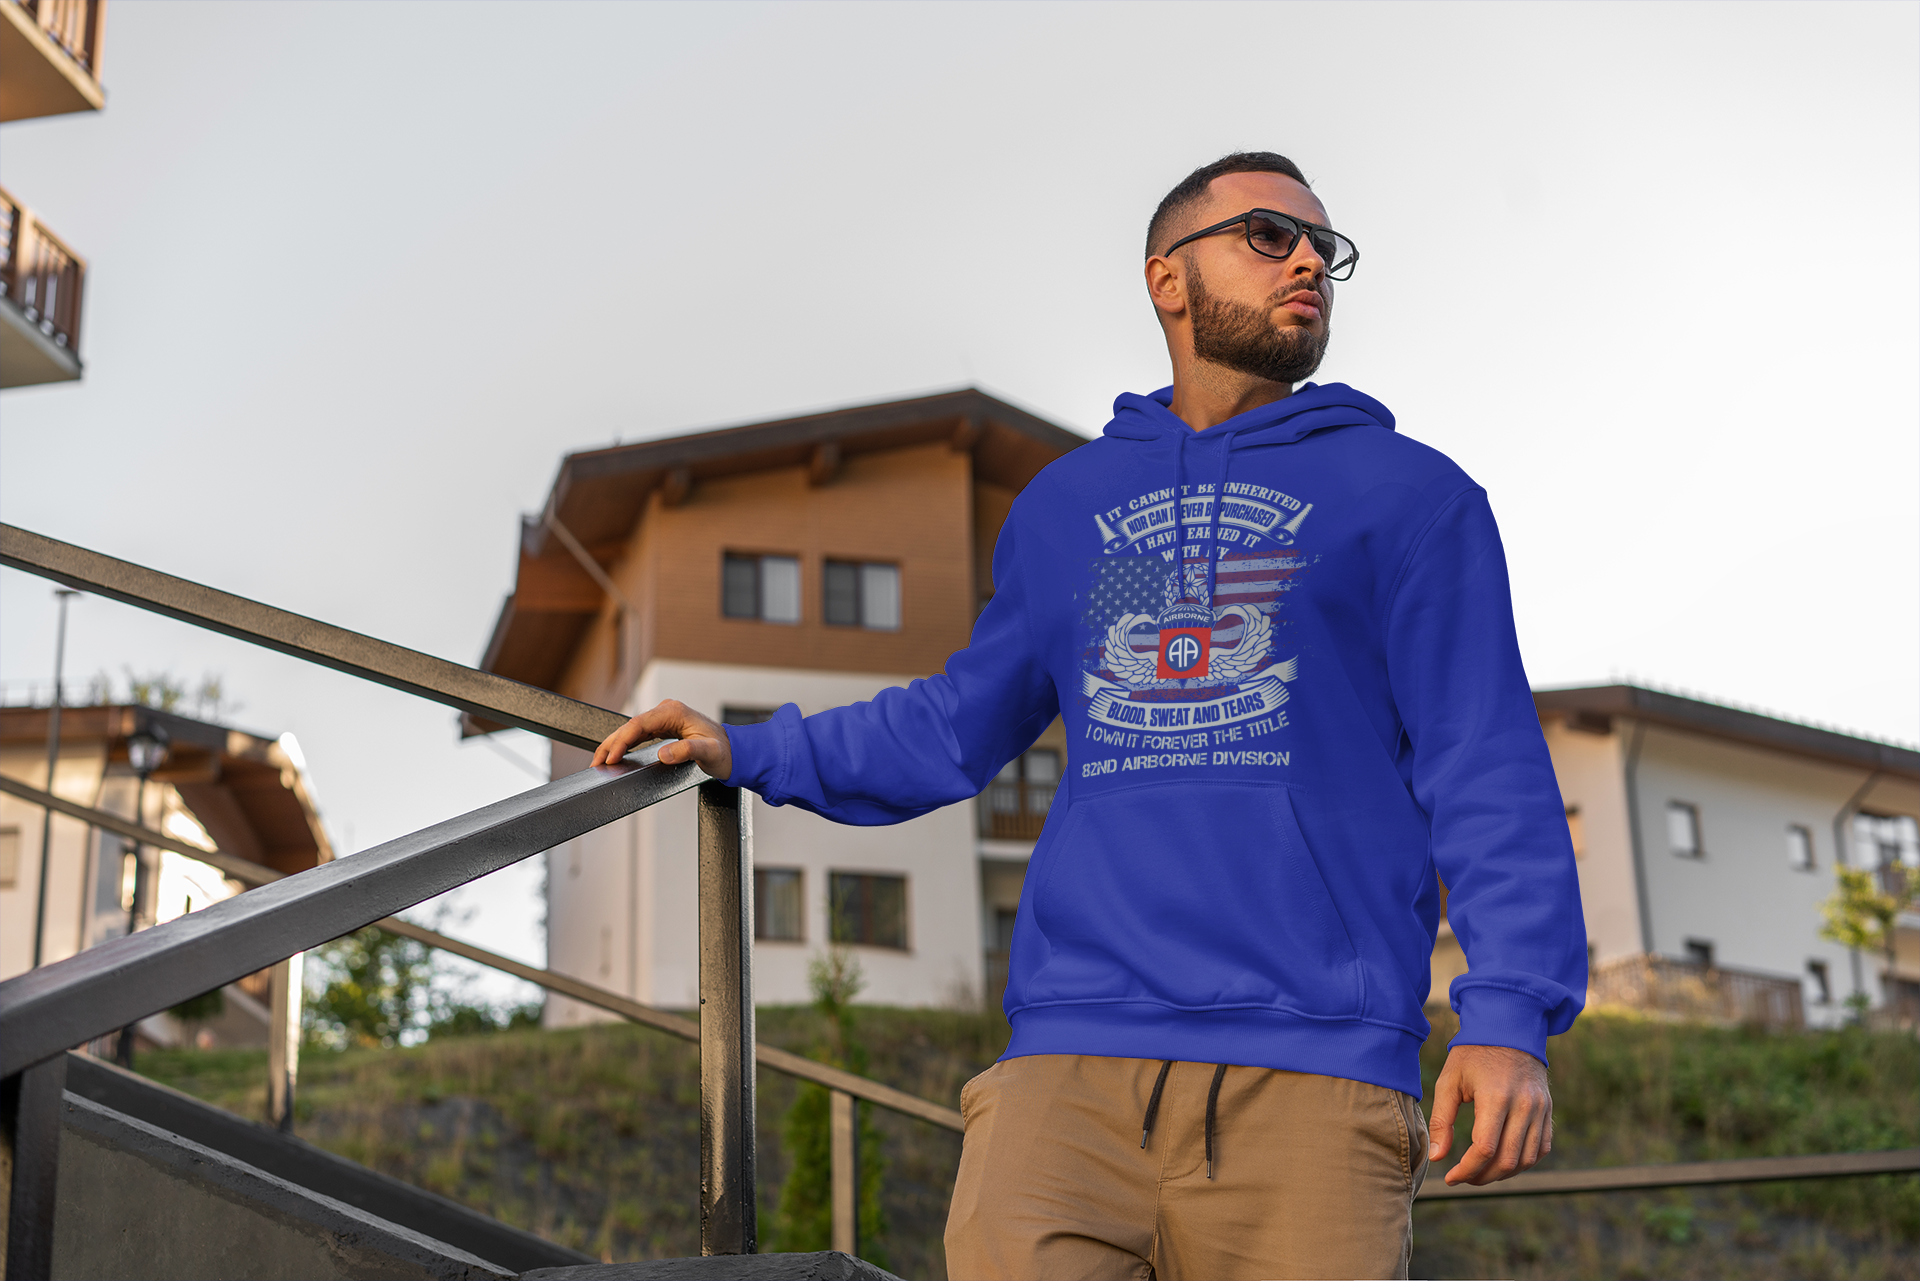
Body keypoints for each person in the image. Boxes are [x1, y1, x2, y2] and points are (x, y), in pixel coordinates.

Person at [593, 151, 1586, 1280]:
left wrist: (1508, 1015)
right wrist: (755, 748)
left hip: (1311, 1074)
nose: (1309, 259)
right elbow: (959, 724)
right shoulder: (1073, 508)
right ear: (1169, 278)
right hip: (1065, 1077)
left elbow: (1485, 763)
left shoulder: (1412, 496)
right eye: (1269, 235)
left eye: (1325, 248)